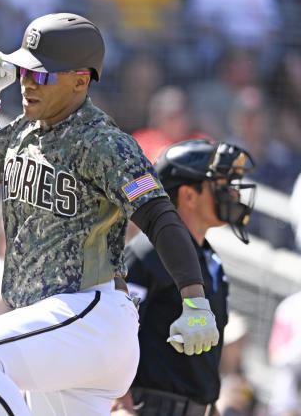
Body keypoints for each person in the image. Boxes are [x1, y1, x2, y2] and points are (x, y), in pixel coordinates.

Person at [0, 13, 220, 415]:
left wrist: (195, 299)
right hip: (52, 327)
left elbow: (159, 216)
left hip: (90, 313)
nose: (28, 82)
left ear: (81, 80)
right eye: (24, 71)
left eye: (43, 75)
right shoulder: (25, 129)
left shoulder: (103, 143)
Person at [112, 139, 256, 415]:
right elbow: (116, 328)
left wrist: (208, 402)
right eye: (222, 184)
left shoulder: (211, 261)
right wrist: (121, 398)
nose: (233, 194)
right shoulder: (146, 252)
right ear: (189, 195)